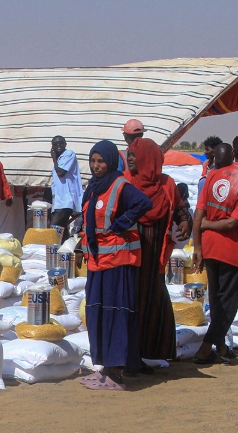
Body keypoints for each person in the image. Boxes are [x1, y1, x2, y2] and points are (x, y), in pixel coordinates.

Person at [79, 141, 152, 391]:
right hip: (98, 261)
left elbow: (143, 203)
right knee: (98, 313)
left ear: (111, 162)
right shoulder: (94, 186)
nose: (96, 166)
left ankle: (117, 373)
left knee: (115, 313)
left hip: (118, 261)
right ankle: (106, 369)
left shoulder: (120, 185)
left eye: (101, 161)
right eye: (93, 160)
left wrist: (122, 223)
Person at [190, 137, 238, 363]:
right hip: (232, 250)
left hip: (210, 247)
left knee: (217, 299)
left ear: (233, 152)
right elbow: (233, 223)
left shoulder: (213, 174)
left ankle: (220, 348)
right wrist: (209, 226)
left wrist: (198, 246)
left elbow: (199, 214)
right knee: (228, 304)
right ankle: (205, 348)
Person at [125, 138, 190, 366]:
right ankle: (130, 357)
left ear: (148, 158)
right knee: (131, 304)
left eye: (134, 155)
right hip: (130, 259)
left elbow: (180, 207)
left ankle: (149, 354)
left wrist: (184, 221)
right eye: (129, 155)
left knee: (153, 303)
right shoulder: (125, 183)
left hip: (155, 259)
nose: (130, 159)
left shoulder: (167, 185)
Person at [49, 136, 83, 239]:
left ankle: (57, 252)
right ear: (52, 147)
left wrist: (53, 157)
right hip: (59, 202)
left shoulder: (69, 154)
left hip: (65, 201)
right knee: (61, 231)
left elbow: (61, 172)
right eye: (55, 144)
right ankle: (64, 252)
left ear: (65, 144)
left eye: (61, 143)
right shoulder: (59, 160)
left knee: (54, 230)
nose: (58, 146)